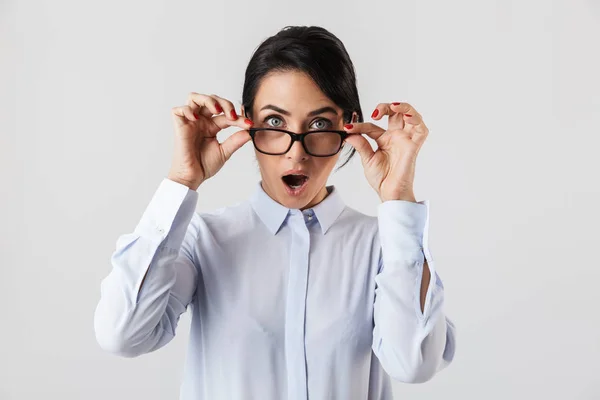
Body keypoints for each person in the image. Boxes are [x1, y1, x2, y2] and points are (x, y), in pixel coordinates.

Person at [94, 25, 456, 400]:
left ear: (349, 128)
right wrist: (182, 181)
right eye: (274, 123)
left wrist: (398, 197)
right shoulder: (203, 240)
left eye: (319, 124)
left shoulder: (388, 248)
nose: (295, 152)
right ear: (247, 124)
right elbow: (122, 334)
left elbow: (414, 363)